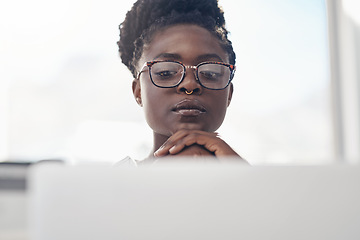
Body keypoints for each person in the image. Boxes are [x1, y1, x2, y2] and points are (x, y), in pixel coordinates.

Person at [117, 0, 246, 164]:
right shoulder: (110, 182)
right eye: (166, 72)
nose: (190, 85)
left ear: (229, 94)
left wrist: (246, 180)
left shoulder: (256, 182)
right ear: (138, 91)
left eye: (210, 73)